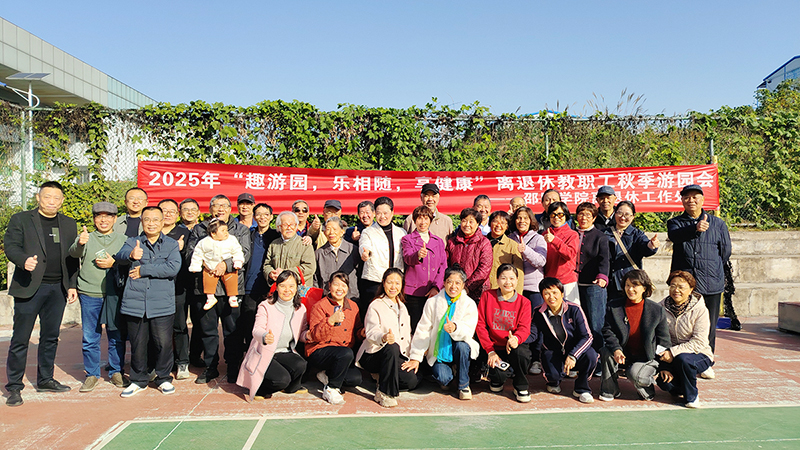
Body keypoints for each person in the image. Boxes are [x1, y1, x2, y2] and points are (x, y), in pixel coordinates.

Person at [4, 181, 79, 407]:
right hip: (29, 287)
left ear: (62, 201)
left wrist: (72, 285)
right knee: (20, 339)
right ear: (38, 198)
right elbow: (11, 246)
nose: (52, 202)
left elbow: (72, 257)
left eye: (56, 198)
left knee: (50, 337)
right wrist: (23, 260)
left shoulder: (69, 223)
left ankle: (45, 379)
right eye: (47, 197)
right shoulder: (21, 219)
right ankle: (14, 387)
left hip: (57, 289)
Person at [115, 206, 182, 398]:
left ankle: (163, 378)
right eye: (147, 220)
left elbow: (173, 268)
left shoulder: (171, 244)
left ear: (162, 222)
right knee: (138, 344)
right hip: (135, 303)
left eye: (155, 220)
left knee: (163, 343)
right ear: (142, 222)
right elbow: (119, 257)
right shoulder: (132, 242)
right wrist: (130, 255)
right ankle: (138, 380)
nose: (151, 223)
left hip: (162, 303)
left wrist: (144, 270)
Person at [186, 194, 252, 384]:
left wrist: (226, 264)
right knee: (208, 330)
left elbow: (244, 253)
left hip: (232, 288)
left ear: (230, 209)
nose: (220, 209)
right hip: (206, 288)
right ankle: (210, 367)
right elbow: (191, 253)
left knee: (233, 330)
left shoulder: (240, 229)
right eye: (216, 205)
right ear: (210, 209)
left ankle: (233, 366)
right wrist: (208, 265)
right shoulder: (200, 229)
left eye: (224, 205)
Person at [69, 202, 129, 392]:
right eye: (99, 216)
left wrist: (114, 263)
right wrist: (80, 242)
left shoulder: (123, 239)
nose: (103, 220)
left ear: (115, 219)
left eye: (108, 216)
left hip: (114, 294)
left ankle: (116, 371)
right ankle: (92, 374)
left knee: (116, 335)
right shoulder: (86, 237)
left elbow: (129, 261)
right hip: (89, 293)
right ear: (94, 219)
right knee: (90, 336)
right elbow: (73, 253)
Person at [667, 184, 731, 359]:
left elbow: (725, 251)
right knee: (682, 324)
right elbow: (674, 236)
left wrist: (712, 268)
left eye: (695, 197)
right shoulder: (675, 223)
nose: (691, 200)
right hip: (684, 285)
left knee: (708, 325)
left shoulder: (718, 224)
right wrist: (694, 228)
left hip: (711, 282)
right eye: (687, 197)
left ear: (702, 200)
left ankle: (706, 359)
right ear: (682, 201)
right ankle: (684, 359)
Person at [403, 265, 479, 400]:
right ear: (444, 283)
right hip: (439, 351)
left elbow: (469, 330)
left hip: (458, 348)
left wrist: (455, 328)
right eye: (450, 282)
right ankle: (450, 374)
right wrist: (416, 356)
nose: (453, 286)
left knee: (462, 346)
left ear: (463, 285)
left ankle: (463, 385)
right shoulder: (432, 302)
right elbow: (423, 329)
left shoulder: (469, 304)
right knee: (444, 379)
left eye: (457, 283)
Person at [599, 269, 671, 402]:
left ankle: (647, 387)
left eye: (635, 285)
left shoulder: (656, 310)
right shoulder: (613, 306)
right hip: (623, 354)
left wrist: (665, 367)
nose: (630, 289)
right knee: (606, 352)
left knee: (633, 374)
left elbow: (664, 340)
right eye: (627, 285)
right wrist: (616, 349)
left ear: (644, 288)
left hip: (646, 357)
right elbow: (608, 331)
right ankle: (610, 390)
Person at [237, 270, 309, 401]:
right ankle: (261, 388)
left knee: (301, 364)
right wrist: (265, 336)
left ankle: (289, 387)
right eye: (282, 286)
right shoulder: (266, 306)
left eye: (291, 286)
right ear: (276, 287)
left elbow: (302, 333)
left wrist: (309, 336)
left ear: (297, 288)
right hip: (265, 352)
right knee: (282, 379)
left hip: (284, 352)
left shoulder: (300, 309)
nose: (287, 290)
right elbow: (257, 329)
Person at [356, 268, 419, 407]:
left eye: (397, 283)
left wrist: (414, 356)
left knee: (411, 381)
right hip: (373, 354)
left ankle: (382, 376)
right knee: (392, 346)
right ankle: (384, 392)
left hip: (396, 355)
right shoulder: (376, 305)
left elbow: (407, 335)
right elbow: (371, 332)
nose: (393, 287)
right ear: (383, 283)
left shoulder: (402, 307)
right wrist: (383, 337)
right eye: (390, 282)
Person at [532, 277, 597, 403]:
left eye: (554, 292)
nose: (551, 297)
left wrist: (573, 355)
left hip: (574, 350)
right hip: (553, 351)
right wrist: (517, 339)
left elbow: (587, 337)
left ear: (562, 293)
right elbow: (532, 334)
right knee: (554, 376)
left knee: (591, 355)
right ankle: (553, 381)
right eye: (546, 293)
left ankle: (582, 388)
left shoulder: (575, 309)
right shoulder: (538, 312)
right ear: (542, 296)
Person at [657, 271, 714, 408]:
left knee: (684, 360)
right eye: (672, 285)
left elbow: (699, 342)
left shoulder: (700, 310)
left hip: (698, 353)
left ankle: (692, 397)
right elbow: (659, 338)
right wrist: (664, 366)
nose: (676, 290)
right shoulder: (660, 308)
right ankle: (682, 385)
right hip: (671, 356)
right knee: (665, 383)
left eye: (681, 287)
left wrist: (673, 352)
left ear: (691, 289)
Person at [476, 264, 532, 403]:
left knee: (522, 354)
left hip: (512, 345)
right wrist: (490, 351)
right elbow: (480, 325)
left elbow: (524, 328)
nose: (508, 282)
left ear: (517, 280)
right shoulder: (487, 296)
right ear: (497, 280)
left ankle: (521, 386)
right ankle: (496, 379)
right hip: (493, 347)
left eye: (512, 278)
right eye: (503, 278)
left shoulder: (524, 302)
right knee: (498, 377)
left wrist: (516, 339)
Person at [306, 272, 364, 405]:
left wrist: (362, 333)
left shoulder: (353, 306)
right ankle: (331, 388)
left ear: (348, 288)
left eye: (343, 285)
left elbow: (357, 330)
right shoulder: (319, 306)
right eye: (336, 284)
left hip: (343, 355)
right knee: (345, 353)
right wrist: (330, 321)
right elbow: (314, 336)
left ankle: (326, 375)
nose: (339, 288)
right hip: (320, 350)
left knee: (355, 379)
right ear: (329, 286)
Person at [508, 206, 548, 375]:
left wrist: (526, 250)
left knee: (535, 324)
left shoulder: (538, 238)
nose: (521, 221)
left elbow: (541, 261)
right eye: (518, 218)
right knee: (515, 323)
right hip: (514, 289)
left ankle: (536, 359)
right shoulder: (510, 238)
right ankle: (516, 357)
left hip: (533, 288)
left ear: (531, 220)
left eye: (525, 218)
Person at [158, 198, 192, 380]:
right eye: (164, 210)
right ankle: (161, 362)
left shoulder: (185, 233)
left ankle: (182, 362)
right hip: (156, 287)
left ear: (177, 214)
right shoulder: (151, 232)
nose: (168, 214)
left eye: (172, 211)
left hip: (179, 286)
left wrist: (181, 250)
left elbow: (192, 258)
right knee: (158, 328)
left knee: (179, 325)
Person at [401, 205, 447, 331]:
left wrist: (436, 287)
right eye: (419, 218)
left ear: (430, 220)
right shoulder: (407, 239)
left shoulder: (438, 241)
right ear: (414, 220)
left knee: (432, 327)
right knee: (415, 327)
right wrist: (418, 255)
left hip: (433, 292)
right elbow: (407, 258)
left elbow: (443, 266)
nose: (423, 222)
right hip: (413, 292)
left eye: (426, 218)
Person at [359, 196, 406, 317]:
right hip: (375, 281)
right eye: (379, 213)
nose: (382, 216)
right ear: (375, 213)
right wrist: (365, 253)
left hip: (395, 281)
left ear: (392, 213)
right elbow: (364, 245)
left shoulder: (401, 232)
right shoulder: (368, 232)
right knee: (373, 315)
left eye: (385, 213)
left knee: (394, 315)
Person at [241, 203, 280, 350]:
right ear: (254, 217)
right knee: (249, 324)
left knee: (269, 324)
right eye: (258, 214)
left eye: (266, 214)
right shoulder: (248, 235)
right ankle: (250, 355)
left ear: (271, 217)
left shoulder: (277, 236)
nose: (262, 217)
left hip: (270, 288)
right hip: (249, 287)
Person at [605, 201, 660, 301]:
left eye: (627, 214)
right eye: (620, 213)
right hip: (608, 283)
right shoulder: (605, 233)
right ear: (615, 213)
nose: (622, 217)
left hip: (630, 283)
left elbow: (644, 246)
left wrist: (651, 245)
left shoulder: (637, 234)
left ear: (633, 216)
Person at [574, 202, 610, 353]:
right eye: (581, 214)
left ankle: (598, 356)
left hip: (593, 285)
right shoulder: (572, 234)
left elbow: (604, 259)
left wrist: (602, 277)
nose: (584, 218)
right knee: (576, 323)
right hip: (573, 285)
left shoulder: (600, 237)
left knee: (596, 323)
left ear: (594, 218)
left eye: (588, 215)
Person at [189, 219, 245, 310]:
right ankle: (210, 297)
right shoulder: (204, 242)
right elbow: (197, 254)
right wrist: (195, 266)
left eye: (226, 230)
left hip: (229, 267)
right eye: (223, 231)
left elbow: (238, 251)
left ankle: (232, 297)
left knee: (232, 279)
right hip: (210, 266)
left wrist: (238, 261)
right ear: (213, 233)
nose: (226, 233)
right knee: (208, 280)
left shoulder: (231, 240)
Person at [446, 208, 493, 301]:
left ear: (477, 224)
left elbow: (484, 268)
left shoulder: (484, 243)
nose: (467, 224)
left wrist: (467, 286)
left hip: (477, 292)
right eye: (464, 221)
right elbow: (446, 263)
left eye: (471, 222)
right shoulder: (452, 242)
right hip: (454, 289)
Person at [263, 211, 316, 289]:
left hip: (299, 289)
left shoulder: (304, 244)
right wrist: (270, 273)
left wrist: (284, 274)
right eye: (285, 225)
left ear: (296, 226)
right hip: (279, 290)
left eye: (292, 224)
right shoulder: (274, 244)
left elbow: (309, 268)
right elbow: (267, 264)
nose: (289, 228)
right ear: (279, 227)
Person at [542, 202, 580, 303]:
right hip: (549, 282)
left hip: (567, 281)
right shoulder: (544, 234)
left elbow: (570, 254)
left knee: (571, 310)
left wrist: (555, 240)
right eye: (553, 215)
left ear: (566, 216)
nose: (556, 218)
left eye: (560, 214)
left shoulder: (572, 234)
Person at [314, 216, 360, 301]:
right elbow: (315, 279)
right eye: (328, 229)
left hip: (351, 298)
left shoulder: (353, 250)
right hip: (328, 300)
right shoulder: (319, 253)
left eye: (335, 229)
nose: (331, 232)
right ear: (324, 233)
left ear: (342, 232)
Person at [486, 211, 524, 294]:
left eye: (503, 223)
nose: (498, 225)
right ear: (490, 223)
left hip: (502, 290)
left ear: (507, 227)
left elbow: (519, 273)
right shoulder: (482, 242)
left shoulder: (513, 245)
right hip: (482, 290)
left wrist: (517, 294)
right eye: (495, 221)